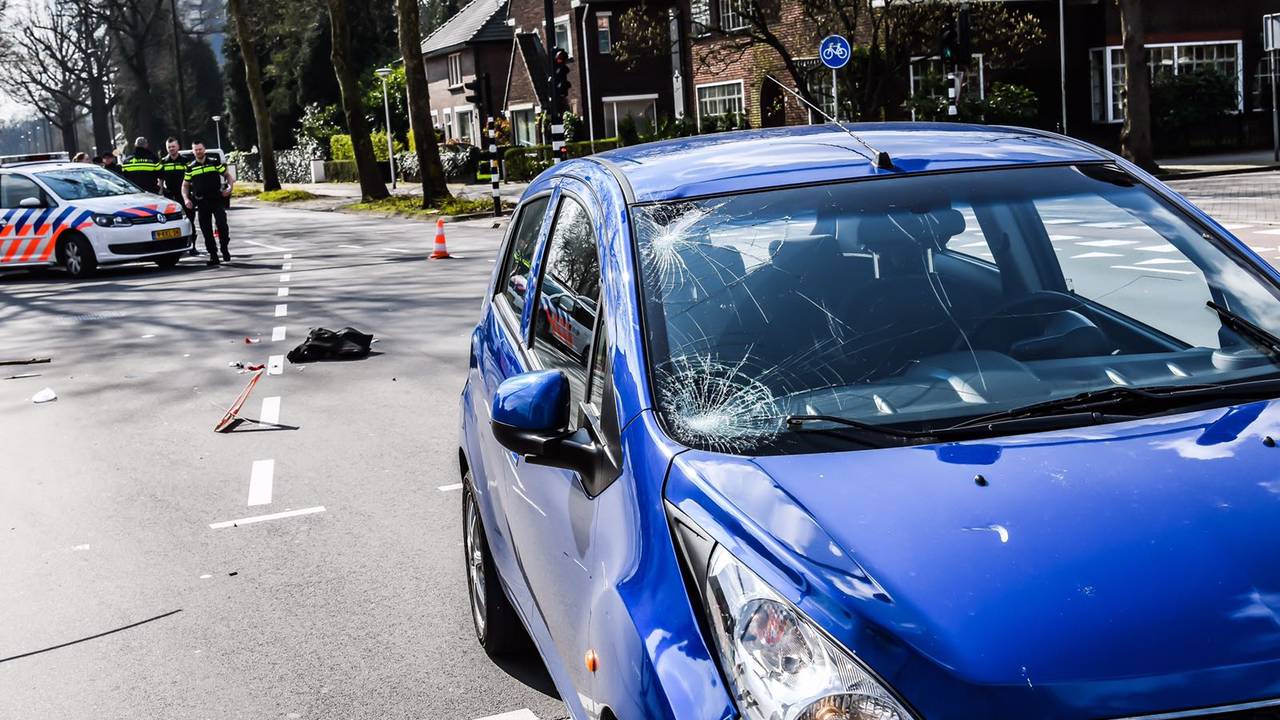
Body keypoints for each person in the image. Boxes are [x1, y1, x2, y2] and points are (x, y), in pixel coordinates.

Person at [182, 140, 235, 266]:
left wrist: (230, 188)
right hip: (201, 202)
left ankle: (224, 248)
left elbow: (227, 175)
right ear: (193, 151)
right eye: (196, 150)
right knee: (206, 231)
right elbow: (185, 185)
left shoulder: (214, 162)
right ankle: (213, 255)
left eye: (200, 149)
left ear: (204, 149)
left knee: (222, 225)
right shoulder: (190, 167)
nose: (198, 151)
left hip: (216, 199)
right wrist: (186, 199)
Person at [159, 137, 199, 256]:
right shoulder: (163, 162)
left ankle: (192, 247)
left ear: (178, 147)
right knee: (169, 223)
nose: (171, 149)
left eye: (173, 146)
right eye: (169, 147)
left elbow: (192, 178)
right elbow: (160, 179)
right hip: (170, 197)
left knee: (190, 221)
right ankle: (172, 249)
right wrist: (161, 192)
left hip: (185, 196)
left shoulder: (186, 161)